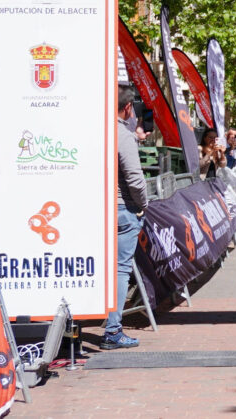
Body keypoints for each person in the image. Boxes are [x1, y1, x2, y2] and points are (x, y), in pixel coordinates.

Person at [106, 85, 149, 350]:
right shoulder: (122, 134)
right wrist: (143, 205)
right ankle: (112, 330)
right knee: (120, 271)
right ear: (129, 107)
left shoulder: (95, 131)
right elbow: (135, 177)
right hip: (122, 208)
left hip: (98, 209)